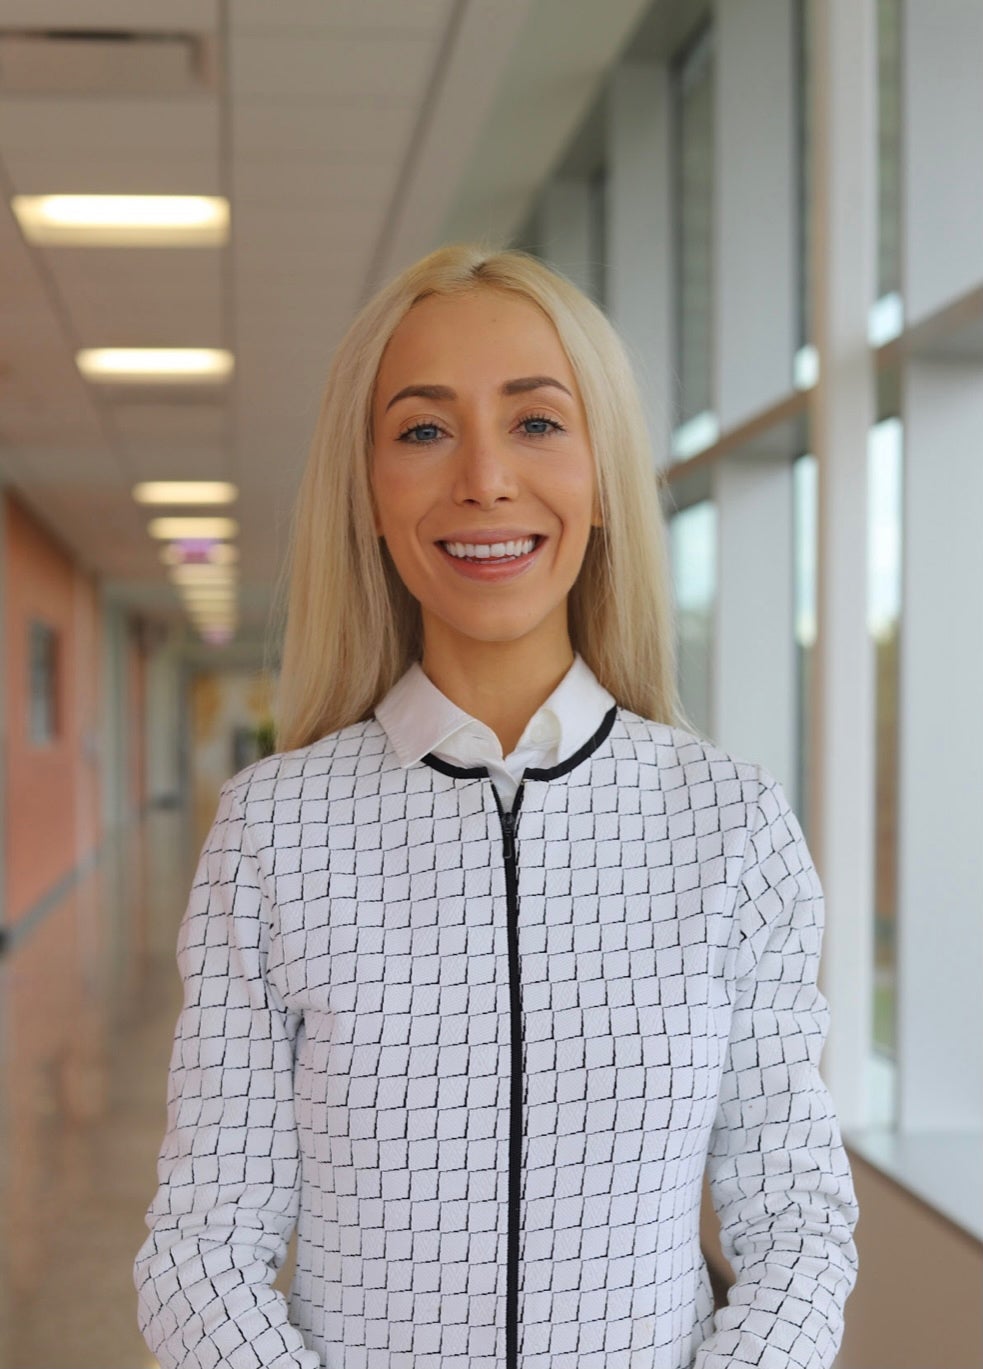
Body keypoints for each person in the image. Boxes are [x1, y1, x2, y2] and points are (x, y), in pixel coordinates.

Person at [134, 243, 858, 1369]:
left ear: (603, 474)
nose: (482, 477)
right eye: (424, 430)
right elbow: (200, 1248)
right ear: (367, 491)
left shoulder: (730, 825)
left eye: (535, 423)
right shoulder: (272, 832)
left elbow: (797, 1222)